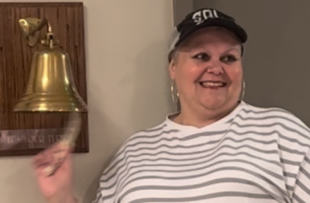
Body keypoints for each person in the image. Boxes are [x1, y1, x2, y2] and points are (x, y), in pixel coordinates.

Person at [33, 8, 310, 203]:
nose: (216, 68)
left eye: (228, 58)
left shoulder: (280, 132)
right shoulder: (134, 151)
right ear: (173, 67)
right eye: (201, 56)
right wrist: (59, 196)